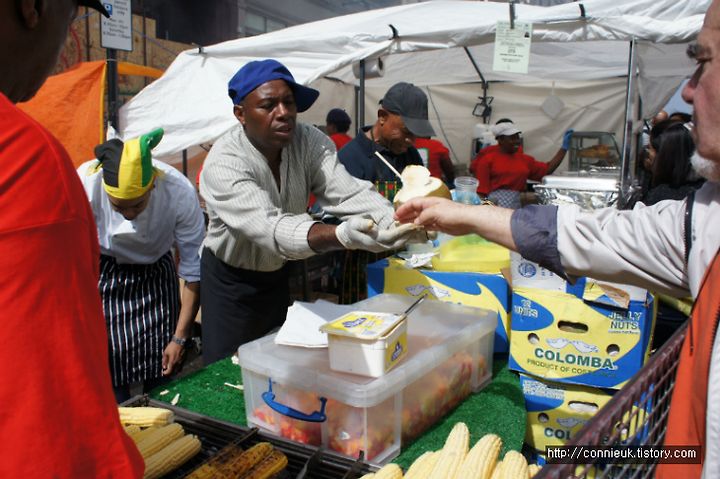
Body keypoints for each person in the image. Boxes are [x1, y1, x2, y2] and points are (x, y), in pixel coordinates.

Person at [396, 2, 720, 474]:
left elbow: (567, 210)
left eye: (704, 61)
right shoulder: (706, 216)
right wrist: (468, 213)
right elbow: (588, 235)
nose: (688, 89)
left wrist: (556, 157)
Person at [0, 0, 143, 476]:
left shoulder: (178, 193)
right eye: (71, 17)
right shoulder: (22, 158)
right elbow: (53, 437)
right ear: (34, 7)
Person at [199, 59, 419, 365]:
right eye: (268, 105)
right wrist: (340, 235)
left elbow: (347, 191)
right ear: (241, 114)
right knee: (227, 371)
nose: (284, 113)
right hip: (230, 282)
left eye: (289, 103)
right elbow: (271, 227)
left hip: (277, 274)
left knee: (276, 361)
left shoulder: (310, 141)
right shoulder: (224, 162)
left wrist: (394, 220)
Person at [77, 129, 205, 402]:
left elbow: (194, 271)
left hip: (155, 277)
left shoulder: (178, 191)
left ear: (152, 185)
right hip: (105, 275)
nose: (129, 215)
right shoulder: (86, 183)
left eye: (137, 205)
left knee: (162, 379)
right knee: (109, 376)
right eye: (119, 207)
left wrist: (180, 338)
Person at [338, 82, 432, 201]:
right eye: (406, 131)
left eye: (416, 134)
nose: (411, 141)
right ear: (382, 117)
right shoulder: (349, 158)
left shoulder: (411, 154)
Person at [471, 122, 573, 209]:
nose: (517, 141)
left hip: (515, 208)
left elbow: (547, 169)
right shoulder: (487, 160)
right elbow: (481, 193)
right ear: (500, 140)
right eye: (512, 138)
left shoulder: (524, 160)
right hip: (493, 206)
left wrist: (564, 148)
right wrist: (489, 210)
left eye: (517, 137)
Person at [643, 119, 705, 205]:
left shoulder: (661, 196)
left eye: (650, 148)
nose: (647, 152)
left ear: (664, 156)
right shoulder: (706, 190)